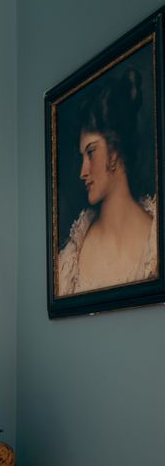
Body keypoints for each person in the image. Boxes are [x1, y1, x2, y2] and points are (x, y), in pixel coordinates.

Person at [57, 67, 157, 296]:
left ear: (115, 153)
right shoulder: (72, 254)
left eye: (91, 152)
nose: (83, 172)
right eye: (82, 156)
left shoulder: (154, 241)